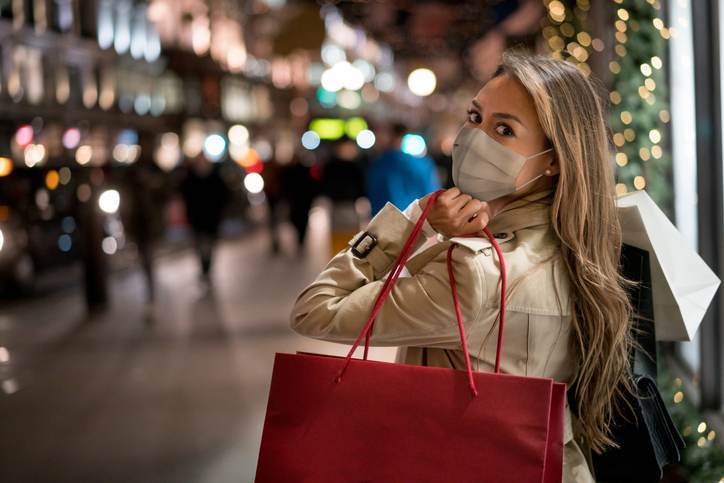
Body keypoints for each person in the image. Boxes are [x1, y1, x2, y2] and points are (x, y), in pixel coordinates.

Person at [290, 51, 637, 482]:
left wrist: (415, 219)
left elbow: (315, 309)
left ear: (553, 158)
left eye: (504, 129)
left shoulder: (476, 272)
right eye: (475, 117)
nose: (474, 138)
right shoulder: (584, 245)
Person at [366, 122, 441, 215]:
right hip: (417, 218)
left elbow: (373, 192)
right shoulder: (423, 163)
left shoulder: (380, 163)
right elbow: (431, 191)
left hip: (385, 218)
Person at [179, 154, 230, 280]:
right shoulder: (190, 179)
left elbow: (224, 195)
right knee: (199, 245)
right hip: (196, 219)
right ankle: (203, 266)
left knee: (210, 245)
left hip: (212, 218)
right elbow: (183, 196)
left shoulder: (215, 177)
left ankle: (207, 267)